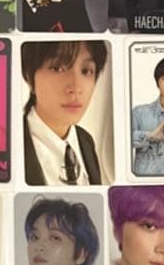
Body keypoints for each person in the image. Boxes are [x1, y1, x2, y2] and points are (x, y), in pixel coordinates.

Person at [22, 39, 109, 186]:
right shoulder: (10, 146)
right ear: (30, 77)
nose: (76, 87)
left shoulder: (85, 140)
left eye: (86, 71)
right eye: (57, 68)